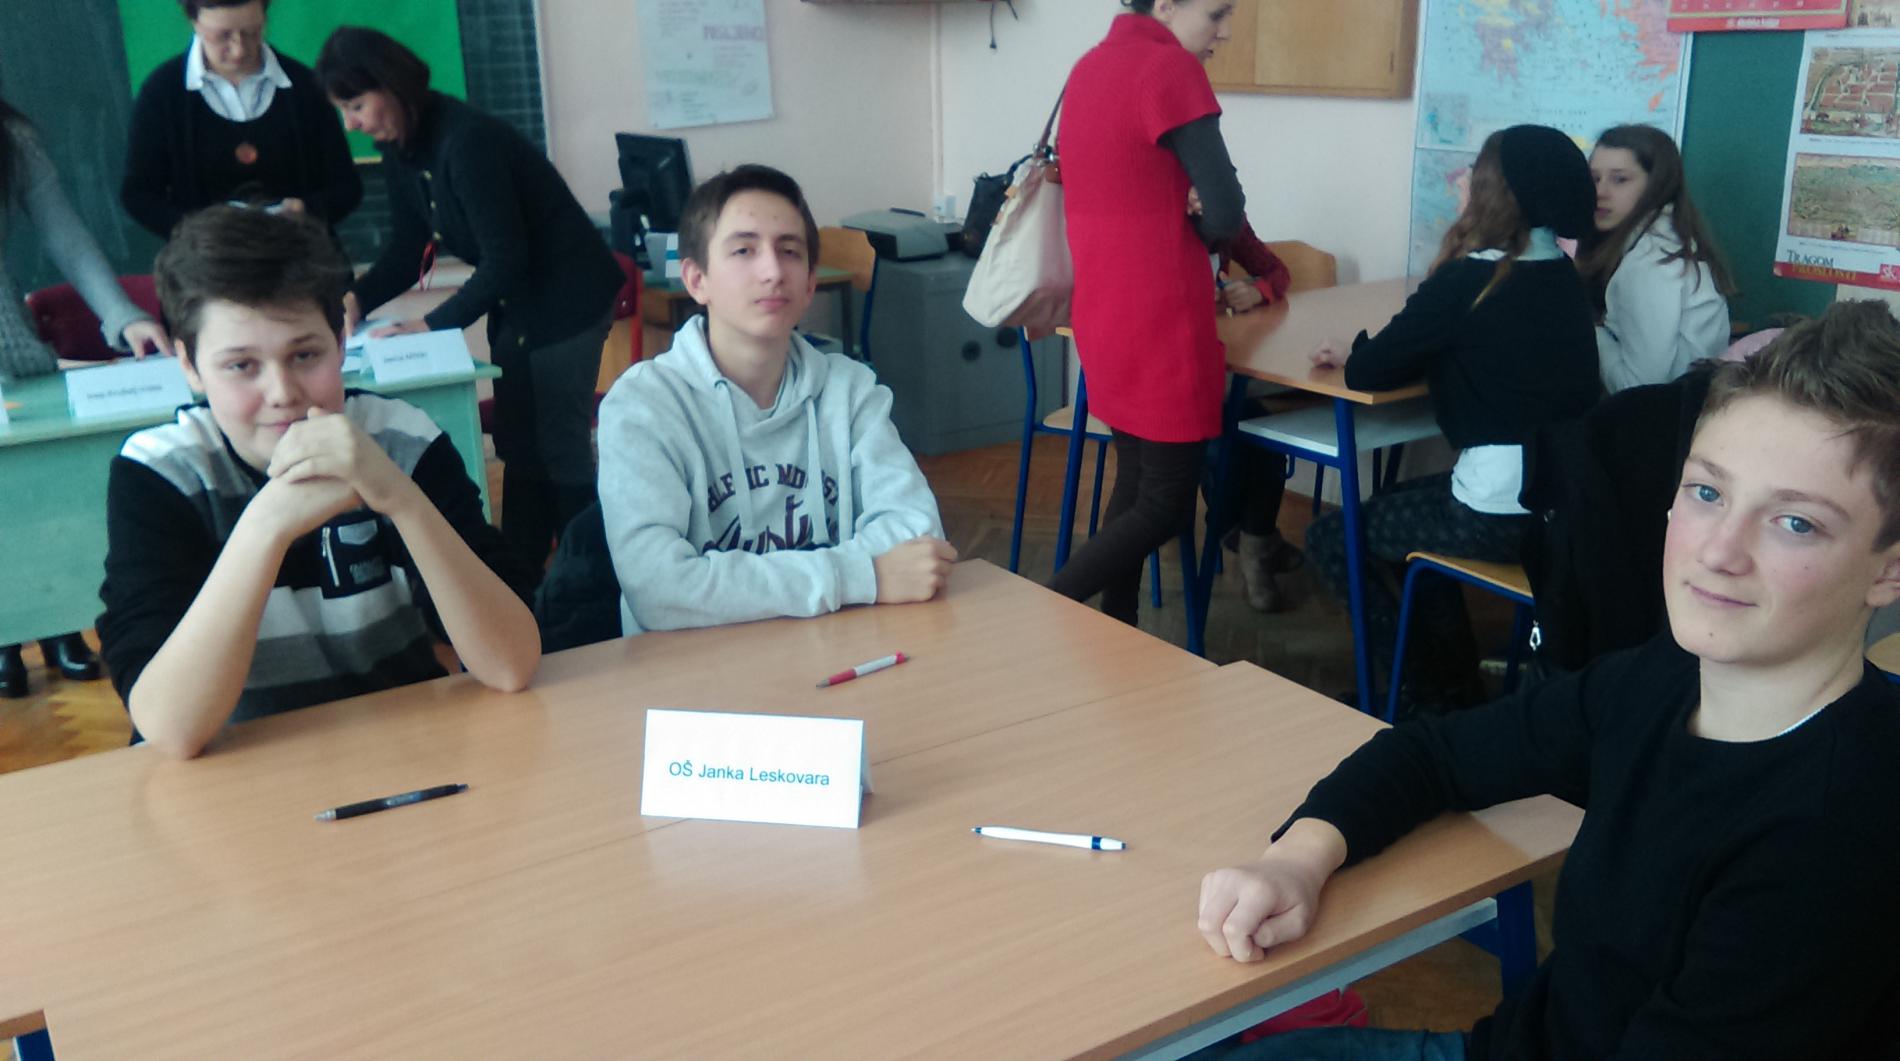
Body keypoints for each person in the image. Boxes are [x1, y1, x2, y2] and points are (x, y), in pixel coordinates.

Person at [1197, 301, 1900, 1059]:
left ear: (1889, 570)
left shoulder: (1831, 838)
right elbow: (1438, 753)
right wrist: (1296, 860)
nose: (1720, 551)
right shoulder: (1667, 678)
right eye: (1707, 491)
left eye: (1796, 522)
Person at [95, 205, 540, 759]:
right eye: (241, 366)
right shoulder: (161, 473)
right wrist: (265, 527)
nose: (282, 392)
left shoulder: (402, 440)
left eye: (305, 355)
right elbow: (172, 728)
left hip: (400, 747)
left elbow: (510, 664)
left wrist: (401, 499)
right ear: (189, 366)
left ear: (341, 341)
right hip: (234, 765)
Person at [1304, 126, 1600, 709]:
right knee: (1404, 523)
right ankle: (1450, 681)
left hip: (1497, 510)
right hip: (1563, 501)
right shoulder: (1561, 274)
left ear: (1495, 193)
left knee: (1331, 538)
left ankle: (1424, 690)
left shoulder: (1469, 278)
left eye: (1474, 173)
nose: (1463, 181)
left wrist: (1353, 351)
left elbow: (1371, 370)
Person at [595, 164, 952, 635]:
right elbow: (659, 590)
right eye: (744, 250)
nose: (773, 271)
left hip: (839, 645)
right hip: (696, 665)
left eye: (789, 251)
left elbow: (918, 536)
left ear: (809, 284)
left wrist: (726, 590)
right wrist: (862, 576)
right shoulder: (642, 407)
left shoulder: (849, 390)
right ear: (696, 280)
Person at [317, 26, 622, 568]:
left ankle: (596, 580)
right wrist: (356, 299)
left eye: (356, 106)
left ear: (391, 87)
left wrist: (430, 326)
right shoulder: (402, 147)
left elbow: (506, 258)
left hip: (569, 301)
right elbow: (409, 247)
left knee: (558, 447)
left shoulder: (466, 142)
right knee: (518, 446)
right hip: (522, 304)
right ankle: (523, 579)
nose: (351, 125)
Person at [1050, 0, 1244, 627]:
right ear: (1165, 5)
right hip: (1162, 318)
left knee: (1135, 485)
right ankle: (1046, 606)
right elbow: (1226, 211)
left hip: (1104, 313)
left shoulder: (1088, 67)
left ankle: (1116, 627)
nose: (1225, 31)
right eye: (1215, 13)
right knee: (1163, 504)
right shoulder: (1171, 69)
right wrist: (1194, 221)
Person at [0, 96, 170, 699]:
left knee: (45, 493)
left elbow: (67, 239)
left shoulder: (11, 138)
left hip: (12, 352)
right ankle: (7, 633)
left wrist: (125, 317)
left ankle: (62, 624)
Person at [121, 0, 361, 237]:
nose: (240, 50)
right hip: (203, 256)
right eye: (222, 36)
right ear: (194, 21)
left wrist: (306, 211)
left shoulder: (305, 86)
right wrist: (199, 231)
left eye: (252, 33)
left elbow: (346, 188)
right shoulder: (163, 92)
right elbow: (139, 195)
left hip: (303, 251)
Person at [1576, 124, 1732, 393]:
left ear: (1656, 185)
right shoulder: (1665, 241)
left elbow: (1638, 388)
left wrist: (1590, 329)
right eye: (1595, 178)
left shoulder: (1651, 262)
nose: (1600, 192)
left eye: (1620, 179)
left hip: (1669, 412)